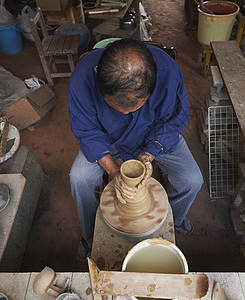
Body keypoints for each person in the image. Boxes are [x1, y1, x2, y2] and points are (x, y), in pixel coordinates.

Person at [68, 38, 203, 259]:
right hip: (106, 138)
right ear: (97, 72)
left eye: (134, 106)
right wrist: (113, 170)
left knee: (192, 180)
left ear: (152, 84)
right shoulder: (82, 78)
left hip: (155, 135)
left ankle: (172, 220)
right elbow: (87, 130)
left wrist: (149, 153)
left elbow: (174, 120)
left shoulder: (167, 72)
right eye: (115, 106)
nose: (123, 113)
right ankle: (89, 236)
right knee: (79, 178)